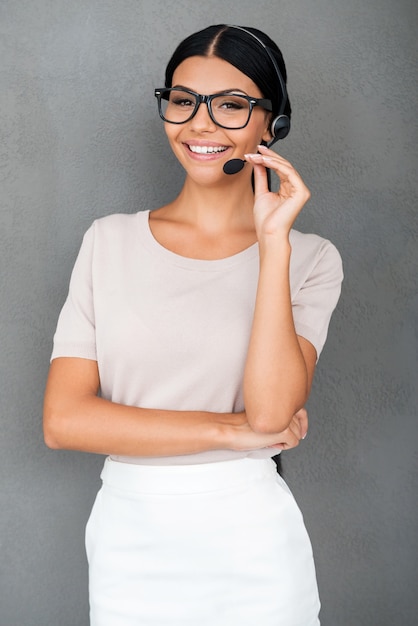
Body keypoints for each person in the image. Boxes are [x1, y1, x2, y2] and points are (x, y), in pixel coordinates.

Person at [43, 24, 343, 626]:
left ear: (272, 123)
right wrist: (232, 432)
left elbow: (271, 413)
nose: (200, 125)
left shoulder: (311, 259)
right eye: (183, 100)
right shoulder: (108, 242)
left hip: (253, 545)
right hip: (130, 539)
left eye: (232, 106)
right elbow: (64, 420)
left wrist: (273, 244)